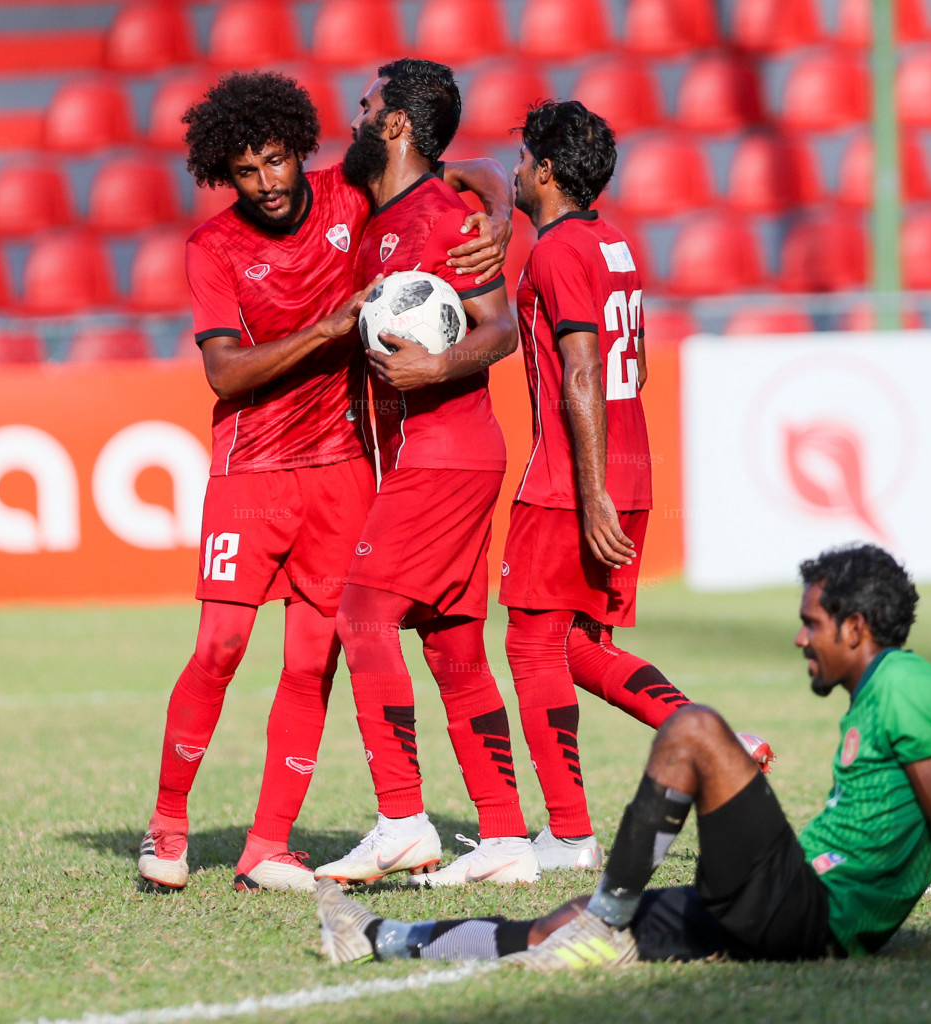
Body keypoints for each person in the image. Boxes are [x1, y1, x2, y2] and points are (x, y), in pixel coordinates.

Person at [315, 543, 931, 966]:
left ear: (855, 629)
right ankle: (384, 939)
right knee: (562, 924)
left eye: (811, 622)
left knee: (693, 730)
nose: (800, 638)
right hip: (786, 907)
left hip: (811, 914)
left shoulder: (906, 684)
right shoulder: (882, 690)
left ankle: (610, 913)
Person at [137, 70, 514, 894]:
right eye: (245, 171)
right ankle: (166, 828)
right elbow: (226, 376)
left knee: (314, 659)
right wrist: (332, 326)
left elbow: (466, 169)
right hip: (253, 467)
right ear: (220, 175)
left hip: (344, 466)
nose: (267, 183)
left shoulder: (347, 193)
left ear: (296, 150)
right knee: (221, 648)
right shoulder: (213, 249)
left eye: (275, 160)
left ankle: (267, 844)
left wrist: (499, 220)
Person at [501, 99, 772, 872]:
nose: (516, 170)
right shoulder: (615, 244)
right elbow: (636, 363)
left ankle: (566, 832)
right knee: (579, 646)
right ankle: (722, 739)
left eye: (523, 159)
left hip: (570, 477)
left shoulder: (553, 252)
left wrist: (586, 492)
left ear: (547, 170)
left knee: (529, 645)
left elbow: (581, 369)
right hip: (630, 463)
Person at [312, 59, 534, 888]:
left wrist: (434, 367)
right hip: (431, 453)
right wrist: (501, 198)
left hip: (448, 446)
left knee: (362, 616)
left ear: (396, 124)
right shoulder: (397, 208)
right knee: (452, 646)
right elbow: (474, 168)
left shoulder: (441, 217)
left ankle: (403, 818)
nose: (355, 116)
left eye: (366, 107)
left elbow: (500, 328)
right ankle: (507, 839)